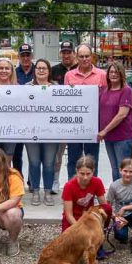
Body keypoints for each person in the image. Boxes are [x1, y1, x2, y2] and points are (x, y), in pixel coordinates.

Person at [64, 44, 106, 179]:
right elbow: (64, 100)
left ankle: (92, 190)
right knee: (73, 159)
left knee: (92, 159)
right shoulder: (69, 75)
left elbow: (105, 100)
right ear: (76, 57)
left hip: (92, 125)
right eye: (81, 56)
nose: (84, 59)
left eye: (87, 56)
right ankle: (72, 189)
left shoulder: (102, 75)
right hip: (74, 125)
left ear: (92, 56)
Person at [25, 58, 58, 206]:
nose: (41, 70)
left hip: (51, 133)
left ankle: (48, 191)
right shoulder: (25, 87)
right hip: (31, 132)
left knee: (50, 163)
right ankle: (36, 191)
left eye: (44, 68)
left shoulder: (57, 87)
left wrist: (72, 90)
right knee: (34, 162)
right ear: (34, 70)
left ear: (49, 71)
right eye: (38, 68)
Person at [98, 62, 132, 182]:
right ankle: (117, 196)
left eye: (116, 72)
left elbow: (122, 114)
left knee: (123, 169)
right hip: (109, 137)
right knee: (114, 169)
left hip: (122, 137)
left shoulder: (126, 90)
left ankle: (128, 198)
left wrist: (104, 130)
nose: (113, 74)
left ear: (121, 74)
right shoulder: (104, 90)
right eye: (111, 72)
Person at [106, 157, 132, 254]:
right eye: (125, 171)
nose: (128, 174)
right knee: (122, 238)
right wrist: (115, 217)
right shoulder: (114, 186)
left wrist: (125, 207)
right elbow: (107, 206)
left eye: (131, 171)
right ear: (120, 170)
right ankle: (122, 231)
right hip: (120, 217)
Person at [51, 40, 78, 193]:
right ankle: (55, 180)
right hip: (58, 118)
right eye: (64, 52)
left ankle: (73, 182)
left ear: (74, 53)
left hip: (75, 117)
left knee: (75, 154)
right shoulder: (54, 70)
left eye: (69, 52)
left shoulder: (79, 69)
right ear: (60, 53)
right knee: (57, 154)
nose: (67, 55)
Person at [61, 155, 107, 232]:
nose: (85, 177)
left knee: (108, 209)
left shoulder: (97, 182)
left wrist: (115, 217)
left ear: (93, 171)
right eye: (82, 173)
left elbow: (104, 205)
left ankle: (104, 230)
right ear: (77, 171)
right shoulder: (69, 186)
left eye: (88, 174)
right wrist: (80, 228)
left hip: (88, 216)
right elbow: (68, 215)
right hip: (73, 218)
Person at [12, 44, 34, 174]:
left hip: (33, 118)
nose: (25, 58)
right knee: (16, 154)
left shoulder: (38, 70)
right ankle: (18, 179)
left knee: (33, 156)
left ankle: (32, 182)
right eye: (23, 55)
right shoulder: (13, 73)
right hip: (17, 119)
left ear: (31, 56)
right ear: (19, 57)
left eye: (28, 55)